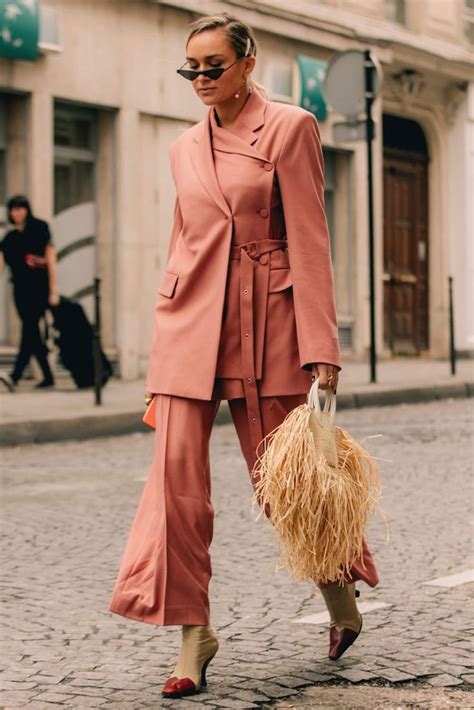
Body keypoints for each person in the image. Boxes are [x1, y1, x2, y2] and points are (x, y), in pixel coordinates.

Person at [108, 12, 379, 700]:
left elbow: (311, 239)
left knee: (287, 483)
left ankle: (340, 594)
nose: (200, 79)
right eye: (190, 68)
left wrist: (322, 345)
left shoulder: (289, 127)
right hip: (188, 330)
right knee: (174, 491)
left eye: (213, 66)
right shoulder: (181, 149)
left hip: (270, 328)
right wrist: (158, 360)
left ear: (247, 62)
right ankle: (193, 634)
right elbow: (184, 247)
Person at [0, 195, 59, 391]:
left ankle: (15, 376)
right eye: (13, 209)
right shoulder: (9, 239)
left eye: (20, 208)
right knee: (32, 332)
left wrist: (53, 290)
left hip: (39, 289)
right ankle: (48, 377)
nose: (17, 213)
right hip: (20, 292)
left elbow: (50, 259)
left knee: (30, 329)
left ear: (27, 209)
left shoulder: (40, 228)